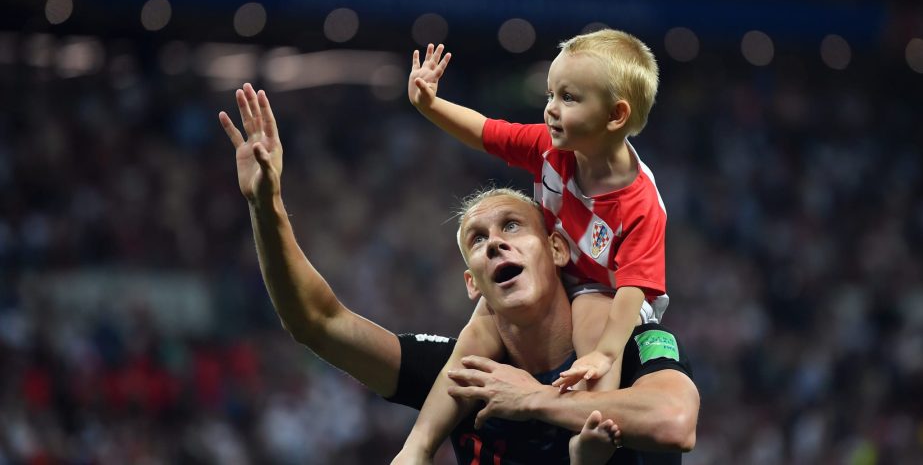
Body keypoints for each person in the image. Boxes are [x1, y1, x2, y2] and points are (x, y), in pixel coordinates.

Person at [217, 84, 698, 464]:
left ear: (557, 249)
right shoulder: (462, 376)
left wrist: (535, 400)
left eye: (512, 225)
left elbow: (676, 423)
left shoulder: (626, 340)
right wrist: (266, 206)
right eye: (477, 240)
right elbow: (318, 322)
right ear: (473, 283)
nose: (494, 243)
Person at [400, 29, 669, 461]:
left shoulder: (640, 205)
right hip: (555, 269)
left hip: (607, 292)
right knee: (478, 328)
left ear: (615, 116)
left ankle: (589, 434)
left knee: (592, 321)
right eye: (550, 94)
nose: (550, 109)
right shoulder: (550, 148)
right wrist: (430, 105)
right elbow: (488, 132)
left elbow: (633, 287)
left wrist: (605, 352)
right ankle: (417, 448)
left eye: (569, 98)